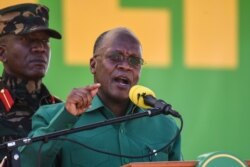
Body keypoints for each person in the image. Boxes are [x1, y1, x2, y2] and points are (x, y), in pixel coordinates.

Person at [20, 27, 182, 167]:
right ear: (93, 65)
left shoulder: (165, 126)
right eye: (115, 57)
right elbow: (28, 163)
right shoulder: (52, 117)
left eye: (134, 61)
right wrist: (65, 118)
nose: (125, 66)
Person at [0, 3, 62, 161]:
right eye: (27, 39)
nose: (40, 48)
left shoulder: (60, 111)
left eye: (45, 41)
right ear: (2, 52)